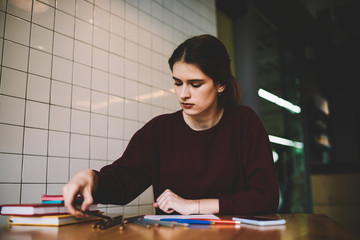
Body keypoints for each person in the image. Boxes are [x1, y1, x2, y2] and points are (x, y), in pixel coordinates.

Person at [63, 34, 279, 217]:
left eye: (195, 84)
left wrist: (193, 206)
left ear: (220, 84)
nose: (183, 94)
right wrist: (91, 177)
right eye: (178, 83)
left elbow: (266, 198)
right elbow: (122, 184)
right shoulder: (159, 131)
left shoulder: (244, 123)